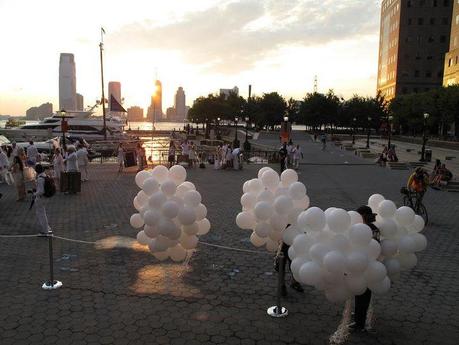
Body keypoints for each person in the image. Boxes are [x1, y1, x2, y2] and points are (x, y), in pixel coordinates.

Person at [349, 205, 380, 332]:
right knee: (362, 293)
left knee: (362, 293)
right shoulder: (375, 229)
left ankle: (359, 323)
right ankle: (358, 316)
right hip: (371, 265)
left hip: (363, 266)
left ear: (362, 216)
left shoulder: (362, 229)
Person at [34, 164, 52, 235]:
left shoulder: (40, 178)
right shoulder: (44, 175)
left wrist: (34, 194)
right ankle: (46, 228)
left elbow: (41, 191)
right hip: (44, 198)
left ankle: (45, 231)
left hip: (40, 198)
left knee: (41, 215)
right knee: (42, 214)